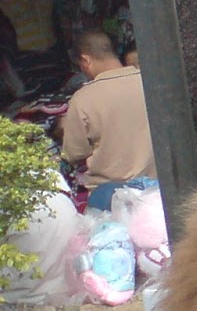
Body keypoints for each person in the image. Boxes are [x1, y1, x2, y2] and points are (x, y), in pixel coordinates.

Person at [60, 28, 157, 211]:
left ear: (86, 60)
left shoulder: (83, 99)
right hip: (158, 188)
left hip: (109, 198)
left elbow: (73, 154)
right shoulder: (151, 83)